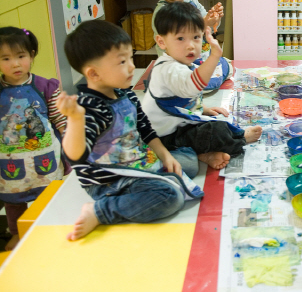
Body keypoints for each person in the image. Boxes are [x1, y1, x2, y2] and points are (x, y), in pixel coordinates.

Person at [58, 20, 201, 241]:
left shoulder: (125, 92)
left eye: (130, 58)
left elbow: (145, 129)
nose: (132, 67)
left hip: (136, 160)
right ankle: (100, 211)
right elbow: (75, 155)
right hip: (111, 180)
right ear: (94, 74)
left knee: (188, 163)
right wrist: (76, 120)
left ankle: (168, 166)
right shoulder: (89, 107)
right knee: (170, 197)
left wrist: (164, 156)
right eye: (122, 61)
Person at [142, 2, 262, 170]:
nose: (190, 45)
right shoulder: (168, 68)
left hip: (180, 125)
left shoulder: (183, 62)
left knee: (219, 121)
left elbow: (183, 98)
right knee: (216, 132)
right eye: (180, 38)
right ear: (161, 42)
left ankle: (203, 154)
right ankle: (239, 140)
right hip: (163, 136)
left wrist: (203, 108)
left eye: (196, 37)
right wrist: (214, 57)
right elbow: (194, 85)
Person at [0, 27, 66, 250]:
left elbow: (60, 120)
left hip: (44, 158)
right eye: (5, 59)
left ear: (32, 55)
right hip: (9, 162)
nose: (15, 64)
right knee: (13, 202)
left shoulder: (46, 87)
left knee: (47, 199)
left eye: (21, 56)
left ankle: (48, 229)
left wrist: (72, 146)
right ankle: (18, 233)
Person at [151, 0, 231, 90]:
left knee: (226, 65)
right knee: (202, 82)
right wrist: (204, 23)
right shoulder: (162, 12)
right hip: (178, 63)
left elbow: (207, 28)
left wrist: (213, 19)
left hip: (199, 57)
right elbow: (183, 35)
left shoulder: (192, 1)